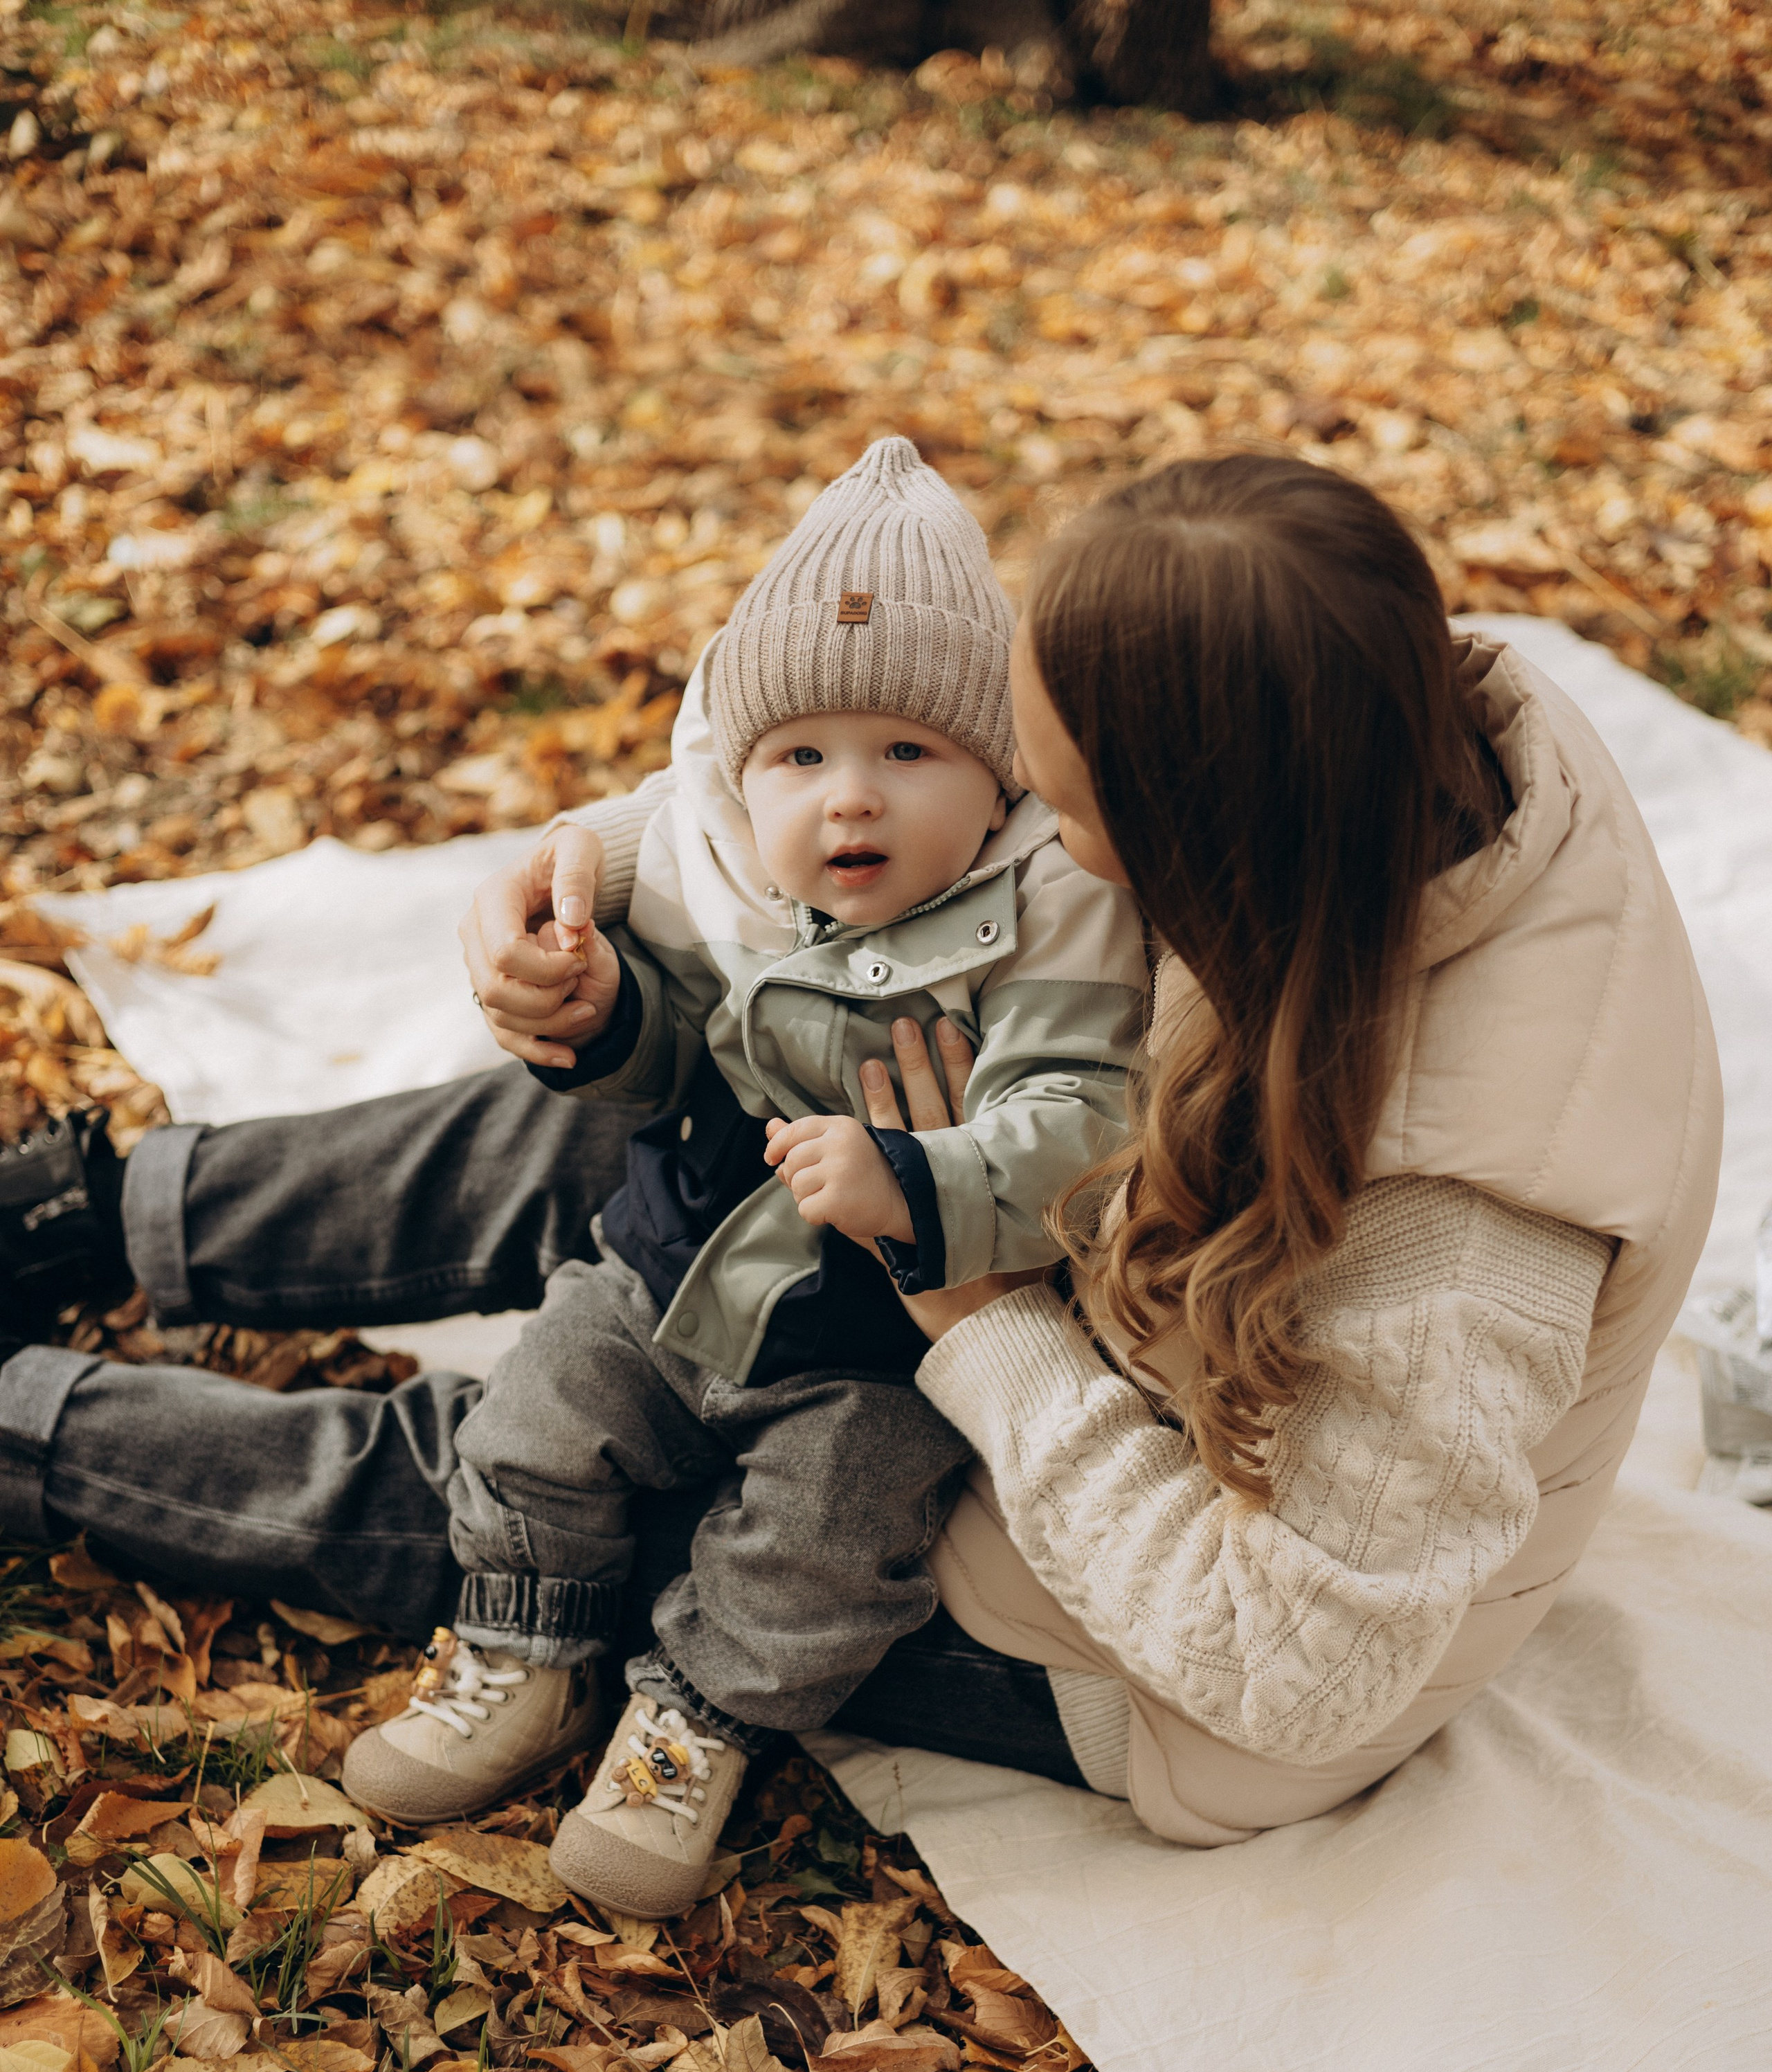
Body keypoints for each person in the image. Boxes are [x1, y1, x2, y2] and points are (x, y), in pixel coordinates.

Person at [0, 453, 1720, 1861]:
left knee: (554, 1463)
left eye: (1086, 823)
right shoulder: (1379, 722)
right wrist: (581, 873)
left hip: (1124, 1615)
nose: (1061, 856)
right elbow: (913, 835)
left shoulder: (1453, 1235)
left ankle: (36, 1429)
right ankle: (79, 1212)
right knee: (665, 1112)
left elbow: (1296, 1673)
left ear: (1203, 841)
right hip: (1070, 1243)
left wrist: (972, 1317)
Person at [338, 437, 1141, 1914]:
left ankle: (691, 1722)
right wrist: (606, 1020)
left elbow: (1082, 1125)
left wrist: (920, 1171)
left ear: (995, 782)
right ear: (742, 772)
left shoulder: (1050, 922)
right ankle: (521, 1658)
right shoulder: (731, 886)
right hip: (669, 1269)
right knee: (537, 1417)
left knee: (824, 1539)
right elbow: (670, 1059)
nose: (850, 802)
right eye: (802, 758)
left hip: (875, 1347)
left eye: (909, 754)